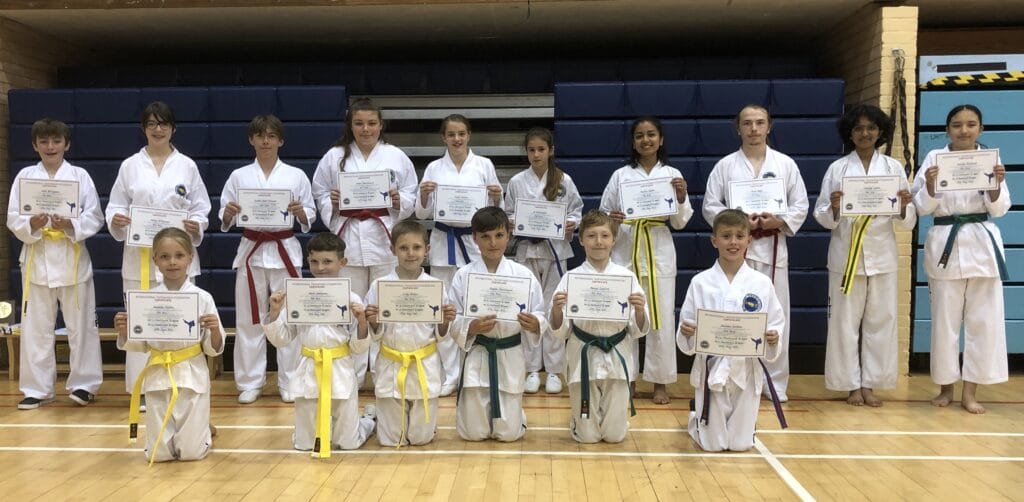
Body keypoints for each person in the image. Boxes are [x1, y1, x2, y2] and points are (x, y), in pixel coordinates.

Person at [106, 101, 212, 410]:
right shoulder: (129, 165)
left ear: (173, 128)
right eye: (152, 123)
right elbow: (114, 205)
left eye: (163, 123)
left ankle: (182, 383)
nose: (158, 129)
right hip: (139, 257)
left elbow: (201, 207)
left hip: (178, 255)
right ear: (144, 128)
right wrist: (117, 220)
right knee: (141, 321)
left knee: (178, 321)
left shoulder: (187, 166)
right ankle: (142, 388)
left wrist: (197, 224)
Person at [702, 104, 808, 402]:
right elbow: (710, 205)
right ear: (738, 128)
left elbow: (800, 205)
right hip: (737, 251)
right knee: (733, 312)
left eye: (759, 123)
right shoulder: (725, 166)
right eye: (747, 123)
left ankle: (775, 382)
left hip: (773, 249)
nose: (753, 129)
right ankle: (732, 375)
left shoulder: (785, 164)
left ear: (768, 126)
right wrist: (737, 223)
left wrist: (779, 220)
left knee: (775, 316)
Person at [311, 98, 418, 388]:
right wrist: (330, 201)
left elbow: (412, 193)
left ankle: (387, 373)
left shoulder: (395, 156)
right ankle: (352, 376)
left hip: (383, 240)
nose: (366, 128)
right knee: (353, 310)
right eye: (359, 123)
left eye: (371, 123)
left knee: (384, 309)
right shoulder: (334, 157)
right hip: (348, 242)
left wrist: (400, 200)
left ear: (381, 125)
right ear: (350, 125)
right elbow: (319, 192)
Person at [911, 104, 1010, 414]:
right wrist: (929, 184)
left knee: (983, 322)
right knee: (945, 322)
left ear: (980, 129)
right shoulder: (933, 159)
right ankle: (945, 388)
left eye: (970, 125)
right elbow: (922, 208)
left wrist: (994, 185)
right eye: (957, 125)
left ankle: (971, 392)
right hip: (946, 244)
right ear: (947, 129)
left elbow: (1000, 208)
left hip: (982, 243)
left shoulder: (989, 160)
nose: (964, 130)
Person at [814, 105, 915, 407]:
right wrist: (833, 207)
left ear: (881, 131)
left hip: (881, 256)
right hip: (846, 258)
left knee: (881, 321)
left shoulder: (893, 169)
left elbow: (907, 220)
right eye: (858, 128)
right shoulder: (838, 169)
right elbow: (821, 215)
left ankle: (871, 383)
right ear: (850, 133)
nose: (865, 133)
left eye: (871, 128)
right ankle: (850, 385)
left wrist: (903, 205)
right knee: (844, 324)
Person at [219, 115, 316, 405]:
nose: (265, 141)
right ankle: (250, 382)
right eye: (260, 136)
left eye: (271, 136)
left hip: (285, 249)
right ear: (251, 140)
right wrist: (228, 214)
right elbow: (224, 215)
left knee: (289, 318)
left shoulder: (296, 175)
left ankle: (290, 381)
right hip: (252, 251)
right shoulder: (239, 176)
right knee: (249, 320)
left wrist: (301, 213)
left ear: (280, 141)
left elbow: (310, 213)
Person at [7, 118, 104, 409]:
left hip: (72, 259)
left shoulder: (80, 176)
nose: (51, 147)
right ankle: (37, 388)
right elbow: (13, 217)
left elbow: (95, 216)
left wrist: (71, 225)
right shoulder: (25, 176)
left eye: (56, 141)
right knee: (36, 328)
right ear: (35, 145)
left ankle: (84, 385)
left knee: (82, 327)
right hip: (37, 260)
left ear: (67, 144)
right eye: (45, 142)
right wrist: (32, 224)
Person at [598, 116, 692, 405]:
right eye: (639, 135)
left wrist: (681, 195)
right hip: (626, 248)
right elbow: (603, 218)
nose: (645, 140)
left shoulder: (672, 174)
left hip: (659, 250)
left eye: (651, 134)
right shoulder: (621, 175)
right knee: (625, 317)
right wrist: (612, 221)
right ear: (633, 142)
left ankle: (660, 382)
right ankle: (626, 378)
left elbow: (680, 221)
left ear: (661, 139)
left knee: (660, 318)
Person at [676, 209, 785, 452]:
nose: (733, 242)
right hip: (711, 366)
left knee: (740, 445)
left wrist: (773, 336)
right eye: (726, 236)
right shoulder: (701, 282)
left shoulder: (761, 282)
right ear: (714, 241)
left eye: (739, 236)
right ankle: (696, 421)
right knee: (712, 445)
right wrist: (686, 332)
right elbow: (687, 324)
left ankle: (732, 426)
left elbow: (776, 321)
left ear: (749, 240)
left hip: (746, 367)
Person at [115, 228, 224, 464]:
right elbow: (140, 345)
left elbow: (213, 348)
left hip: (192, 373)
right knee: (159, 454)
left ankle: (202, 428)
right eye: (164, 256)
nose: (172, 262)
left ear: (190, 258)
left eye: (179, 255)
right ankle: (199, 425)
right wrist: (124, 331)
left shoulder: (203, 297)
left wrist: (214, 329)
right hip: (157, 375)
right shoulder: (146, 299)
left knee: (191, 454)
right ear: (155, 260)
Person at [263, 233, 376, 456]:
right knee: (305, 444)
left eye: (327, 261)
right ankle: (310, 430)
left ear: (342, 263)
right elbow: (282, 339)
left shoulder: (352, 298)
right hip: (309, 368)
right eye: (314, 261)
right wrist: (275, 312)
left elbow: (359, 347)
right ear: (308, 261)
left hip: (340, 368)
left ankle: (369, 420)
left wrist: (362, 320)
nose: (321, 267)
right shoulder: (299, 294)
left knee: (348, 443)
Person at [416, 114, 503, 396]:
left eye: (461, 133)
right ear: (443, 137)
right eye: (451, 134)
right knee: (446, 310)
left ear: (469, 135)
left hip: (473, 240)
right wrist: (425, 195)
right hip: (443, 242)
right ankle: (450, 373)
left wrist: (496, 196)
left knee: (474, 306)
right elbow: (421, 213)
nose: (457, 139)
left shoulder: (484, 165)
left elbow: (493, 210)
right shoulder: (433, 167)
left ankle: (473, 368)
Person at [549, 210, 647, 443]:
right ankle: (578, 421)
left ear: (614, 239)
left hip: (617, 350)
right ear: (581, 240)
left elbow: (638, 329)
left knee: (614, 436)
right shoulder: (571, 278)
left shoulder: (627, 277)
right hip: (583, 351)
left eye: (604, 235)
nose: (599, 242)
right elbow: (560, 330)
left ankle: (616, 420)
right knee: (587, 437)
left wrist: (641, 310)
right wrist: (555, 310)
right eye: (592, 236)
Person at [449, 207, 546, 441]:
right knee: (473, 434)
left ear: (509, 235)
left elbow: (540, 313)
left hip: (508, 354)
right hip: (477, 354)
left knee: (508, 435)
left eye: (499, 235)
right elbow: (453, 317)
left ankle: (516, 416)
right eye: (485, 236)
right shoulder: (463, 275)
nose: (493, 243)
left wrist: (534, 323)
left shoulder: (524, 275)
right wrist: (470, 328)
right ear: (475, 239)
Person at [505, 127, 584, 395]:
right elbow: (507, 214)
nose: (536, 154)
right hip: (526, 250)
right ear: (526, 152)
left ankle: (553, 370)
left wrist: (571, 223)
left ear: (551, 151)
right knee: (527, 309)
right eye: (531, 150)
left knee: (553, 308)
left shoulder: (564, 181)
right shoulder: (516, 181)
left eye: (541, 149)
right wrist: (517, 222)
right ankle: (530, 369)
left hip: (555, 252)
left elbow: (577, 213)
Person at [364, 220, 456, 447]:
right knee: (391, 440)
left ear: (427, 250)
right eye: (403, 248)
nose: (410, 253)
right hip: (390, 363)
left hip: (424, 365)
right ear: (392, 250)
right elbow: (374, 334)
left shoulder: (437, 286)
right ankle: (371, 418)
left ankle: (421, 426)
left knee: (420, 439)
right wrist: (373, 322)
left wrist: (445, 322)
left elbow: (441, 335)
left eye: (416, 247)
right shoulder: (379, 285)